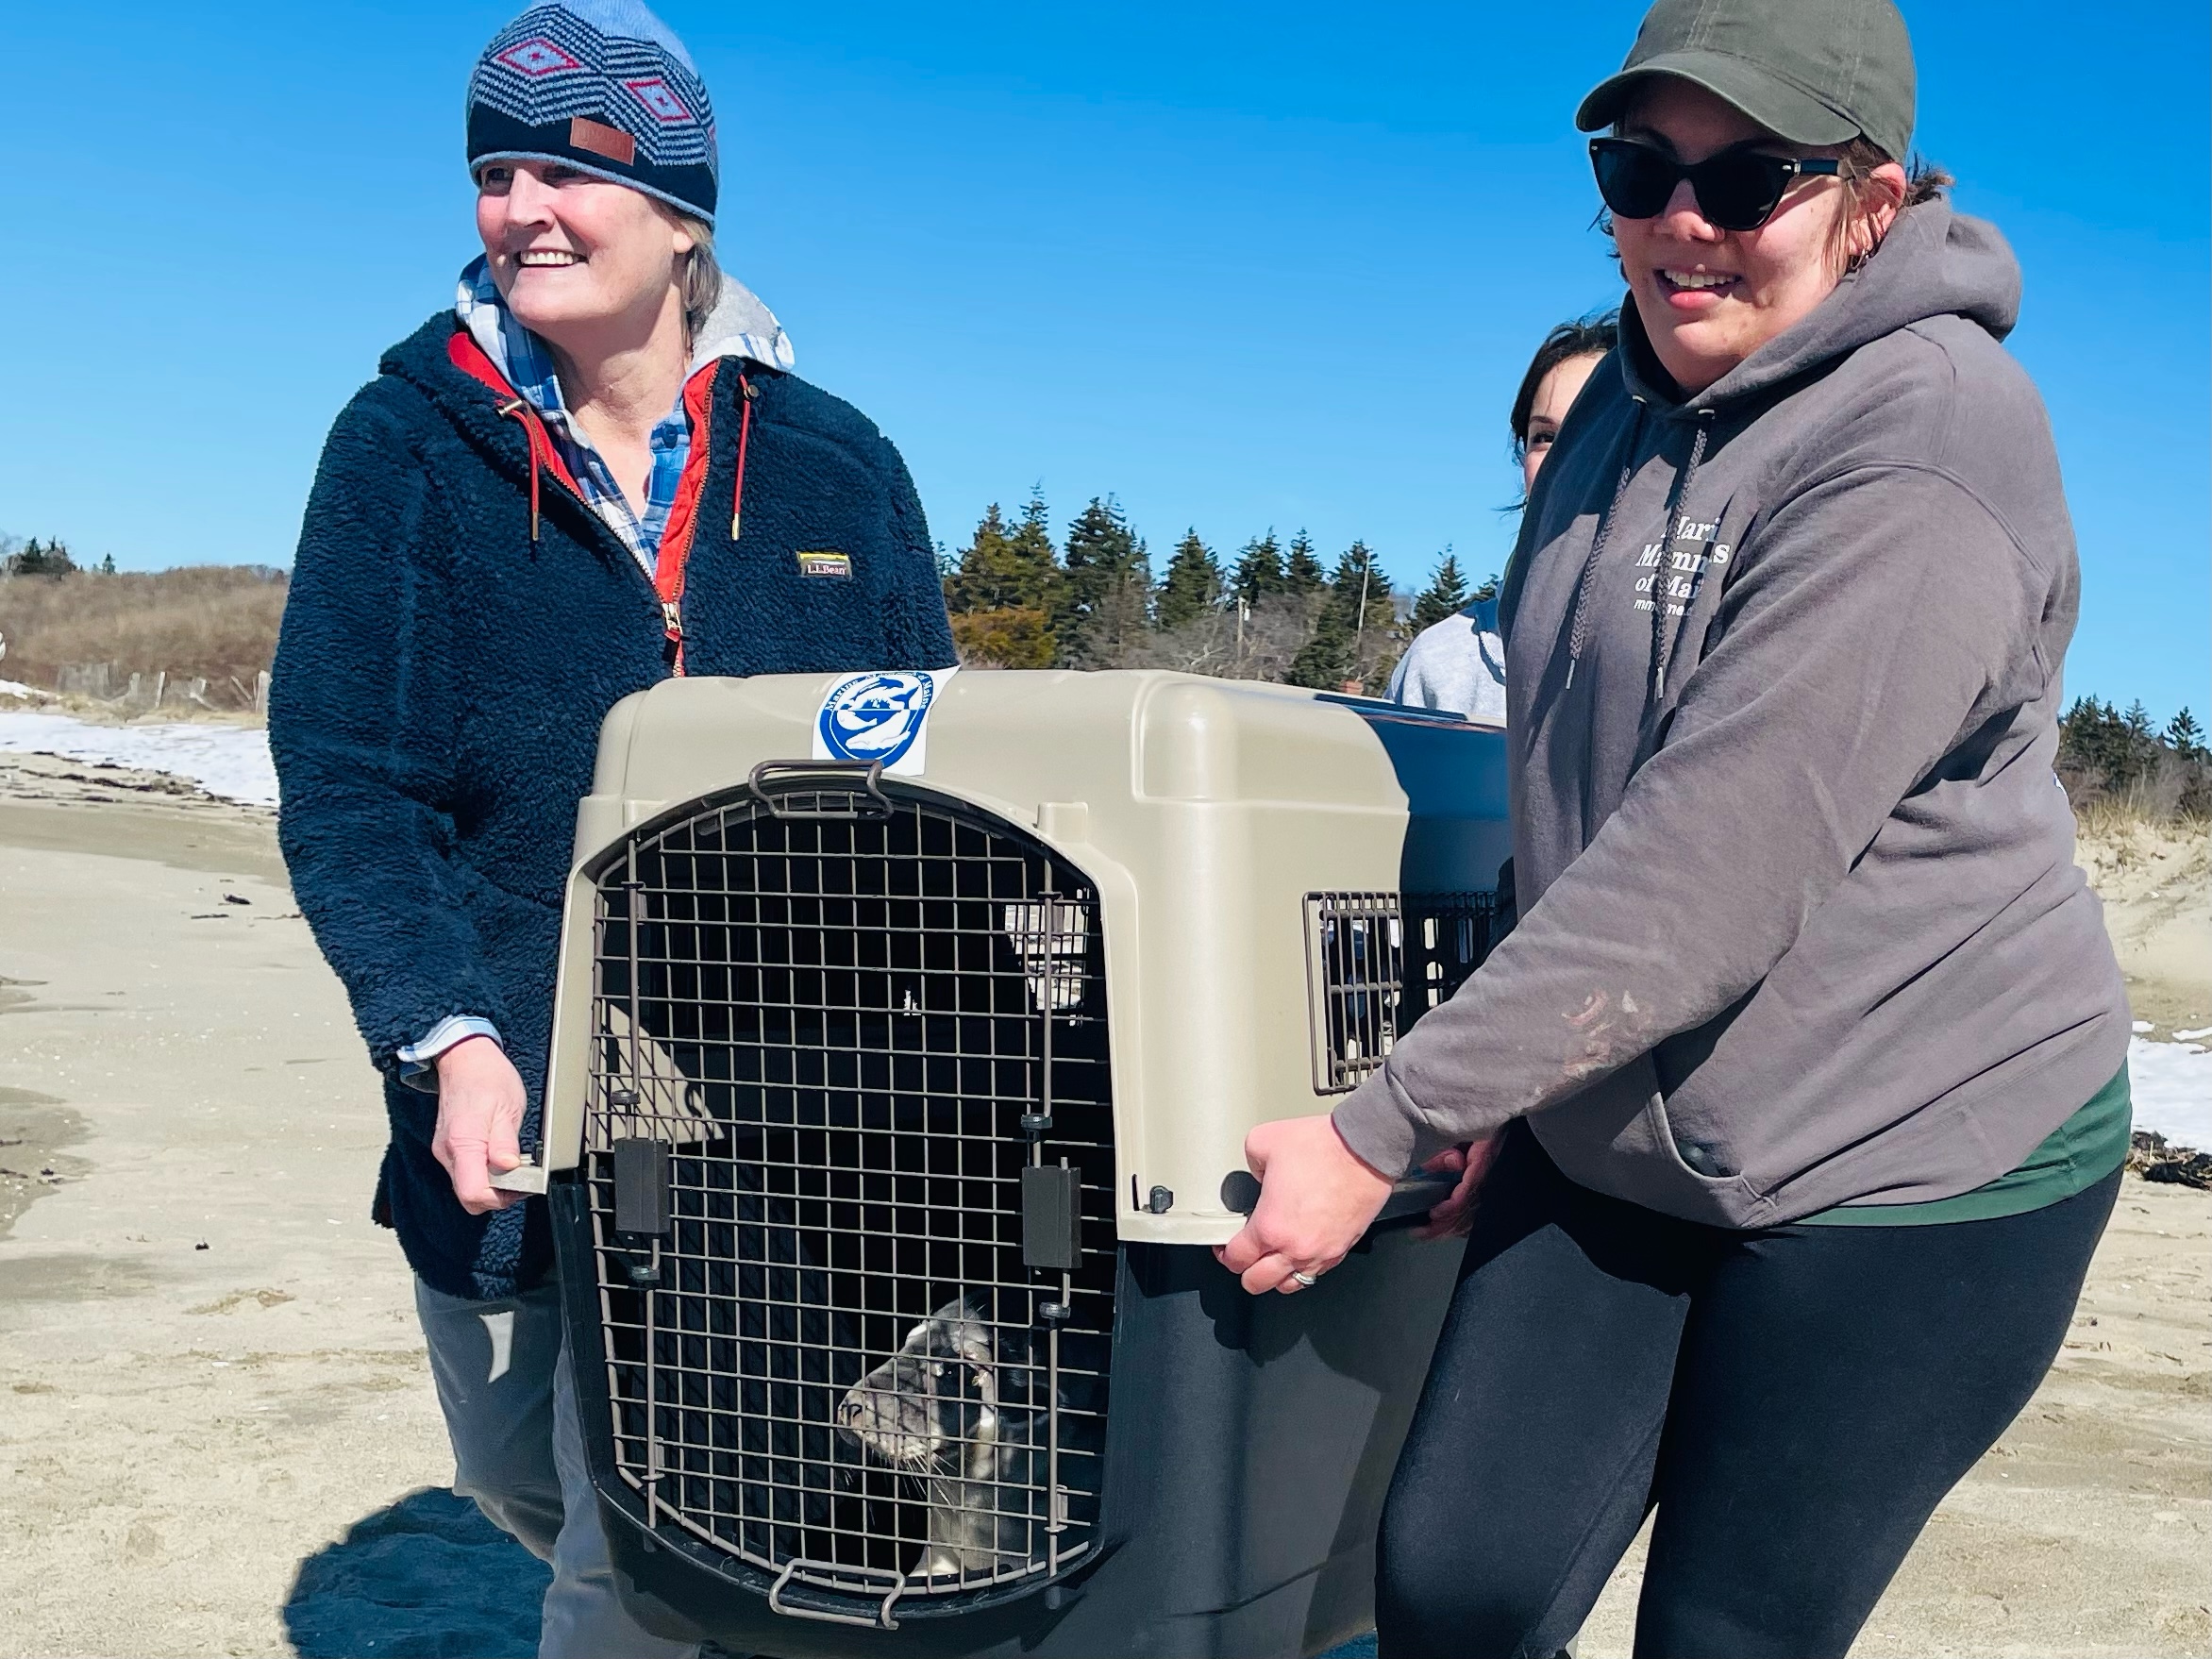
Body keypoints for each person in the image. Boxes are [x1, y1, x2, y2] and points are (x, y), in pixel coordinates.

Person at [1218, 1, 2132, 1653]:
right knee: (1454, 1580)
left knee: (1722, 1630)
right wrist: (1504, 1077)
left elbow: (1715, 858)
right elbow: (1569, 790)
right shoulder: (1608, 427)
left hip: (1910, 1150)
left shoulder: (1926, 436)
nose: (1681, 225)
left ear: (1874, 196)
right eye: (1638, 170)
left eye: (1750, 177)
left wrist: (1380, 1124)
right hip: (1625, 1122)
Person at [269, 4, 956, 1652]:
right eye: (494, 172)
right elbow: (352, 782)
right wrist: (444, 1033)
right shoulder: (403, 447)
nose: (522, 210)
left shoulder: (835, 464)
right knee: (524, 1472)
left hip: (771, 1105)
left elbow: (941, 774)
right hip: (496, 1092)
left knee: (631, 1541)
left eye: (568, 172)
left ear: (680, 214)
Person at [1389, 314, 1617, 722]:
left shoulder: (1702, 650)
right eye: (1544, 437)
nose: (1565, 460)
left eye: (1597, 434)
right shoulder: (1442, 661)